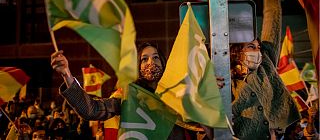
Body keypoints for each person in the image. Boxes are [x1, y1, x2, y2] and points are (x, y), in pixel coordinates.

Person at [51, 42, 211, 139]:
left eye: (156, 57)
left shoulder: (180, 93)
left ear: (163, 62)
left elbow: (207, 124)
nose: (151, 62)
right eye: (144, 59)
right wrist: (67, 74)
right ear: (138, 67)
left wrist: (208, 91)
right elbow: (92, 110)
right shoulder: (129, 97)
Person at [229, 0, 300, 139]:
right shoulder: (225, 76)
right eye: (251, 47)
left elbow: (272, 27)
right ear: (236, 52)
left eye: (258, 46)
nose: (258, 51)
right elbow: (224, 115)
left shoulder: (266, 61)